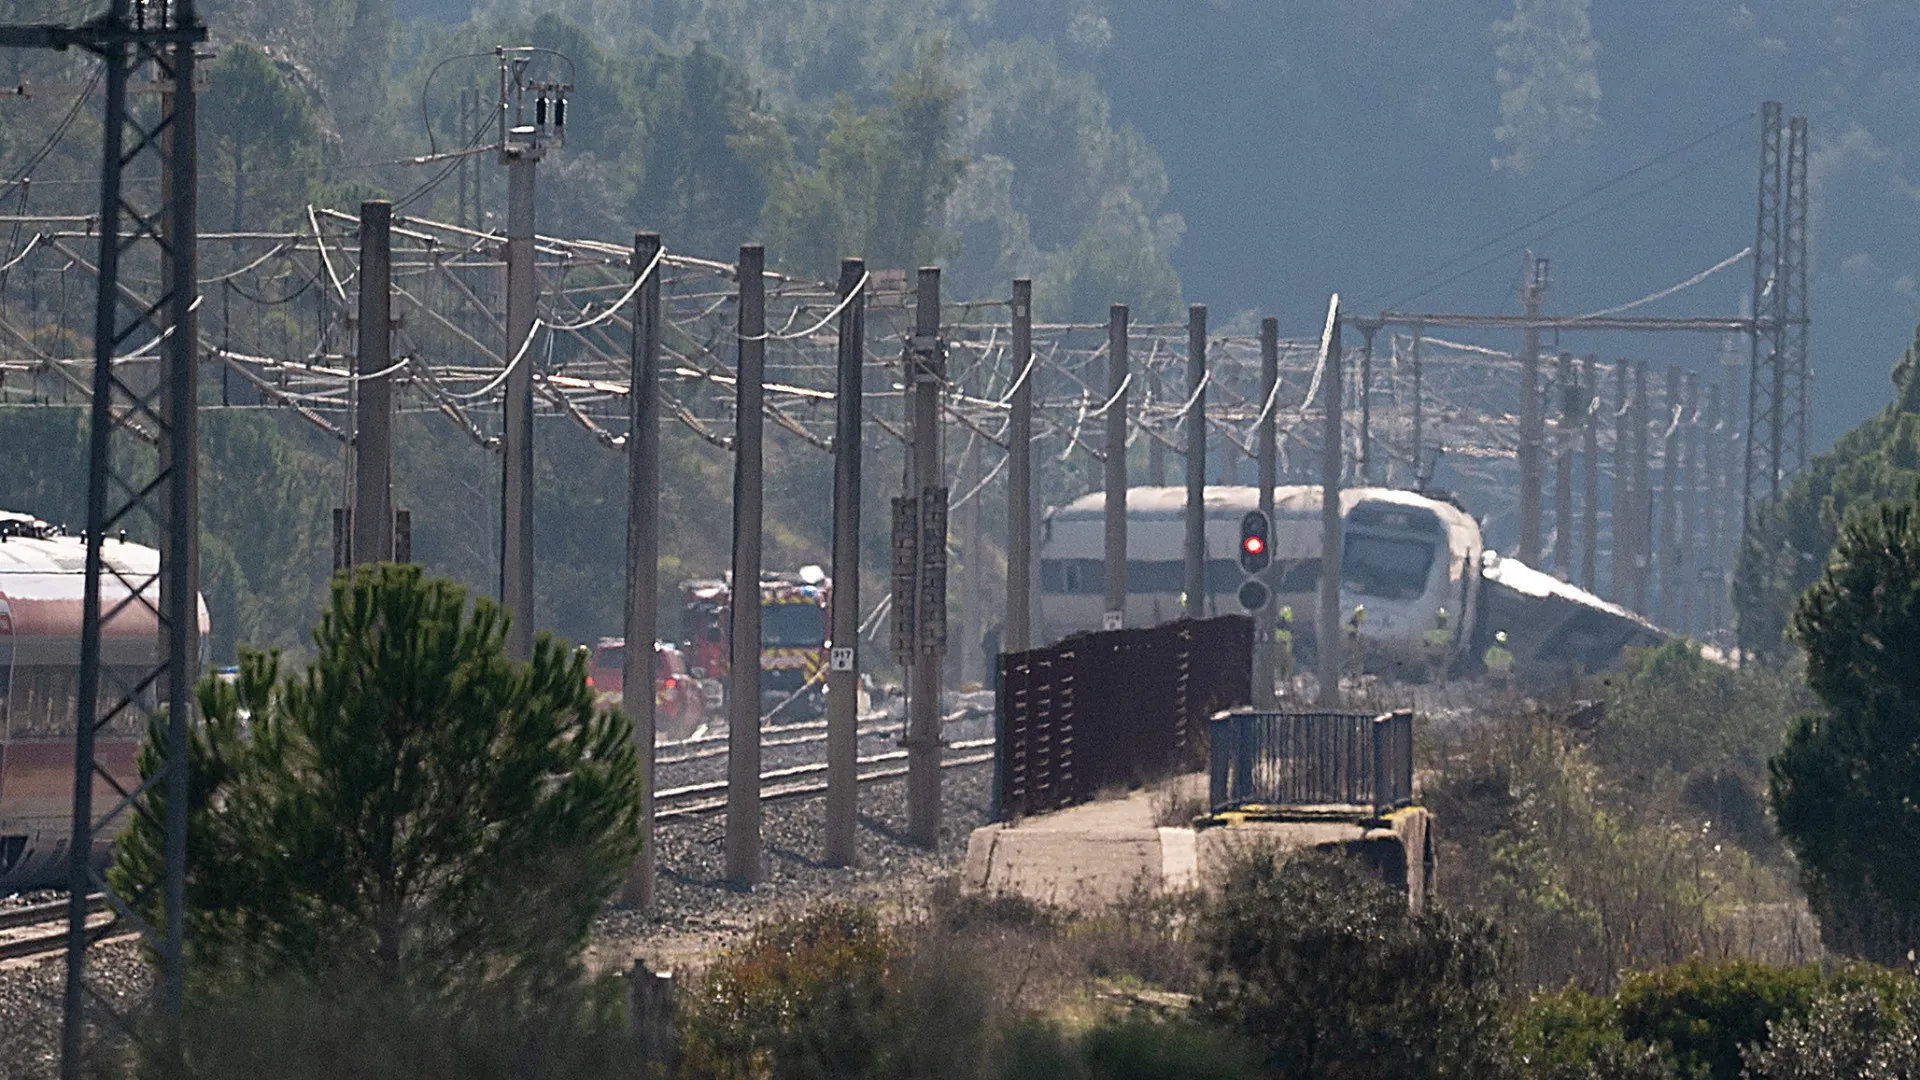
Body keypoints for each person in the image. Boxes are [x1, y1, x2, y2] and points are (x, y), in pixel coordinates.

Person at [1423, 608, 1454, 687]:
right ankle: (1440, 683)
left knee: (1432, 668)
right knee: (1442, 668)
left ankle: (1433, 681)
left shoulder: (1430, 630)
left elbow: (1425, 642)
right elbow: (1450, 643)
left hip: (1431, 652)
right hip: (1441, 653)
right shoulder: (1448, 632)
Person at [1273, 605, 1295, 696]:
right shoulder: (1281, 628)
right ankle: (1281, 689)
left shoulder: (1285, 627)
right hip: (1282, 649)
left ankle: (1284, 688)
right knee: (1279, 670)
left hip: (1286, 650)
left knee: (1284, 669)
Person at [1345, 605, 1367, 678]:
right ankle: (1353, 674)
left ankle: (1357, 675)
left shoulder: (1361, 621)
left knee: (1358, 659)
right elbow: (1348, 629)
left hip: (1358, 643)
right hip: (1353, 641)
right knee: (1353, 658)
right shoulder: (1352, 621)